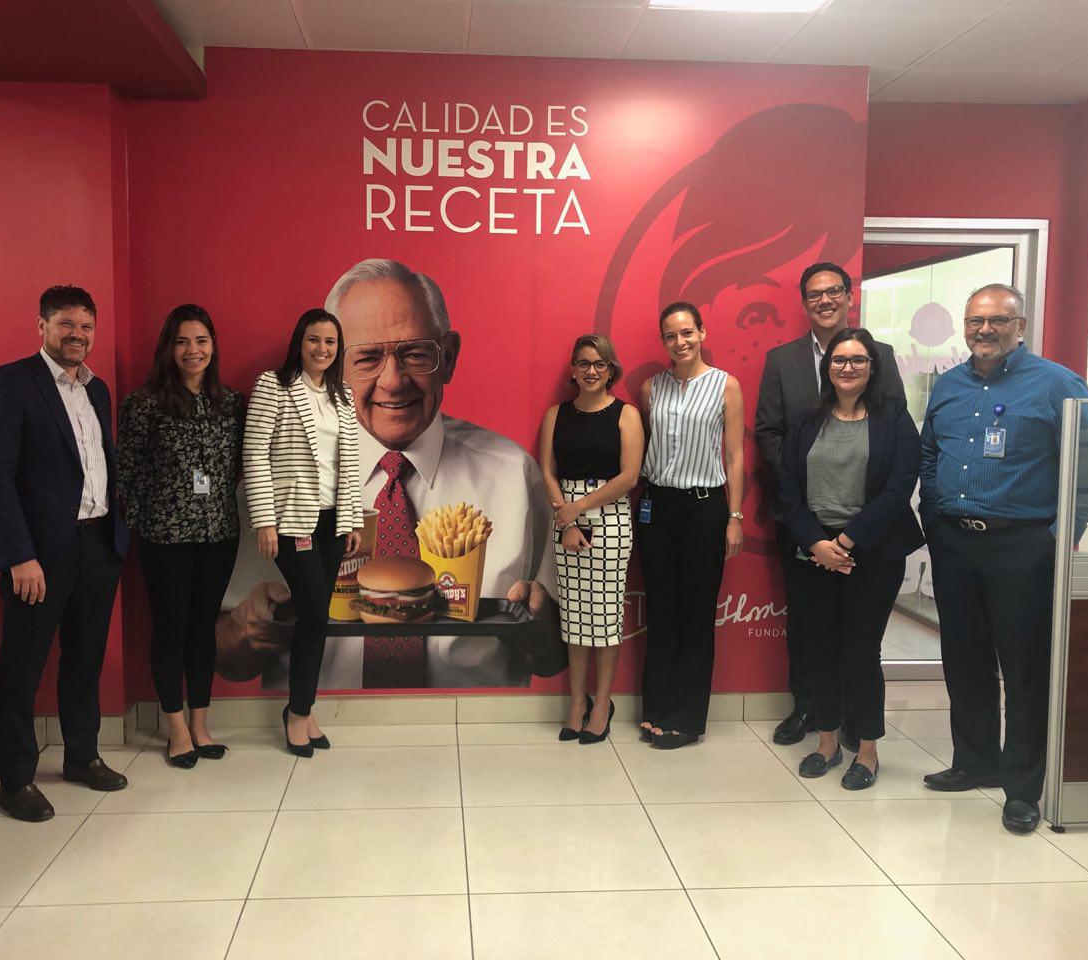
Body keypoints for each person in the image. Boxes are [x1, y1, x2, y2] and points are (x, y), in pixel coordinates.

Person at [217, 258, 564, 689]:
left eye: (416, 354)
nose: (393, 381)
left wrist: (540, 631)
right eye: (367, 358)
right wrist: (244, 630)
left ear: (449, 357)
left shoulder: (514, 476)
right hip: (321, 716)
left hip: (470, 719)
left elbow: (553, 658)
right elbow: (228, 659)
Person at [919, 282, 1088, 834]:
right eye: (975, 321)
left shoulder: (1058, 384)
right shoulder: (948, 384)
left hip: (1023, 545)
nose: (985, 330)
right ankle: (975, 761)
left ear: (1020, 326)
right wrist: (934, 513)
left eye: (997, 321)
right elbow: (930, 452)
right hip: (955, 541)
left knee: (1024, 669)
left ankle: (1023, 787)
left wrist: (1065, 532)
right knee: (964, 658)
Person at [0, 285, 130, 822]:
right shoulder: (9, 383)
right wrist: (19, 555)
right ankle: (15, 779)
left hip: (98, 543)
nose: (76, 335)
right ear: (41, 326)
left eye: (86, 326)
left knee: (84, 659)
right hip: (37, 554)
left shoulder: (97, 389)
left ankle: (82, 756)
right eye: (66, 324)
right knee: (22, 665)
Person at [755, 262, 906, 747]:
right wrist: (802, 497)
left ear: (848, 296)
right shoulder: (782, 360)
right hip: (803, 519)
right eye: (814, 294)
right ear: (804, 303)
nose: (825, 300)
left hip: (867, 525)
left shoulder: (879, 354)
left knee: (860, 636)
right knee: (809, 626)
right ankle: (809, 709)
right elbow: (769, 432)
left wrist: (855, 529)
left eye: (833, 291)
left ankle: (854, 722)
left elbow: (894, 433)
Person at [779, 328, 923, 789]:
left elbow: (900, 487)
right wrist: (816, 544)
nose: (848, 367)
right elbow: (788, 488)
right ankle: (826, 744)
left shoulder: (893, 417)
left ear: (872, 367)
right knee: (820, 650)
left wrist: (846, 542)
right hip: (814, 553)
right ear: (827, 368)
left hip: (872, 552)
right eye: (839, 360)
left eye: (858, 359)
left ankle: (867, 750)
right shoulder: (806, 419)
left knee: (861, 652)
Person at [117, 304, 244, 768]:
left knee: (203, 629)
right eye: (183, 341)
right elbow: (126, 471)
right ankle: (175, 728)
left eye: (201, 341)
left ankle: (200, 724)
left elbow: (238, 466)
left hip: (218, 533)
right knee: (170, 629)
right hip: (164, 537)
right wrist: (142, 520)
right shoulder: (144, 404)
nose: (193, 350)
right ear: (169, 348)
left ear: (213, 346)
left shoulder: (231, 403)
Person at [244, 308, 364, 758]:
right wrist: (265, 520)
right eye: (314, 339)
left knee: (318, 617)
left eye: (331, 342)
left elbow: (348, 460)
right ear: (300, 342)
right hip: (293, 518)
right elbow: (255, 453)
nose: (322, 349)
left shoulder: (343, 394)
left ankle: (305, 709)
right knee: (313, 612)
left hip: (334, 519)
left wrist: (352, 519)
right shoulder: (273, 386)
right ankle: (296, 713)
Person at [638, 301, 744, 749]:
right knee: (662, 612)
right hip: (657, 508)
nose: (679, 342)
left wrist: (734, 516)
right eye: (670, 335)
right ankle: (656, 708)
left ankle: (686, 718)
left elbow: (734, 455)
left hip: (705, 508)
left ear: (702, 332)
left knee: (697, 614)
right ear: (662, 340)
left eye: (686, 332)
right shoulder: (651, 389)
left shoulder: (725, 385)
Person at [538, 334, 644, 744]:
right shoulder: (556, 414)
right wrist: (566, 519)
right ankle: (576, 703)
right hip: (564, 518)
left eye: (600, 364)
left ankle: (602, 704)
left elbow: (629, 477)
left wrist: (578, 508)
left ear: (611, 369)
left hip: (611, 519)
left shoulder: (626, 414)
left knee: (605, 616)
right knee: (575, 617)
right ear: (573, 369)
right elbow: (548, 471)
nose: (591, 371)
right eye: (584, 363)